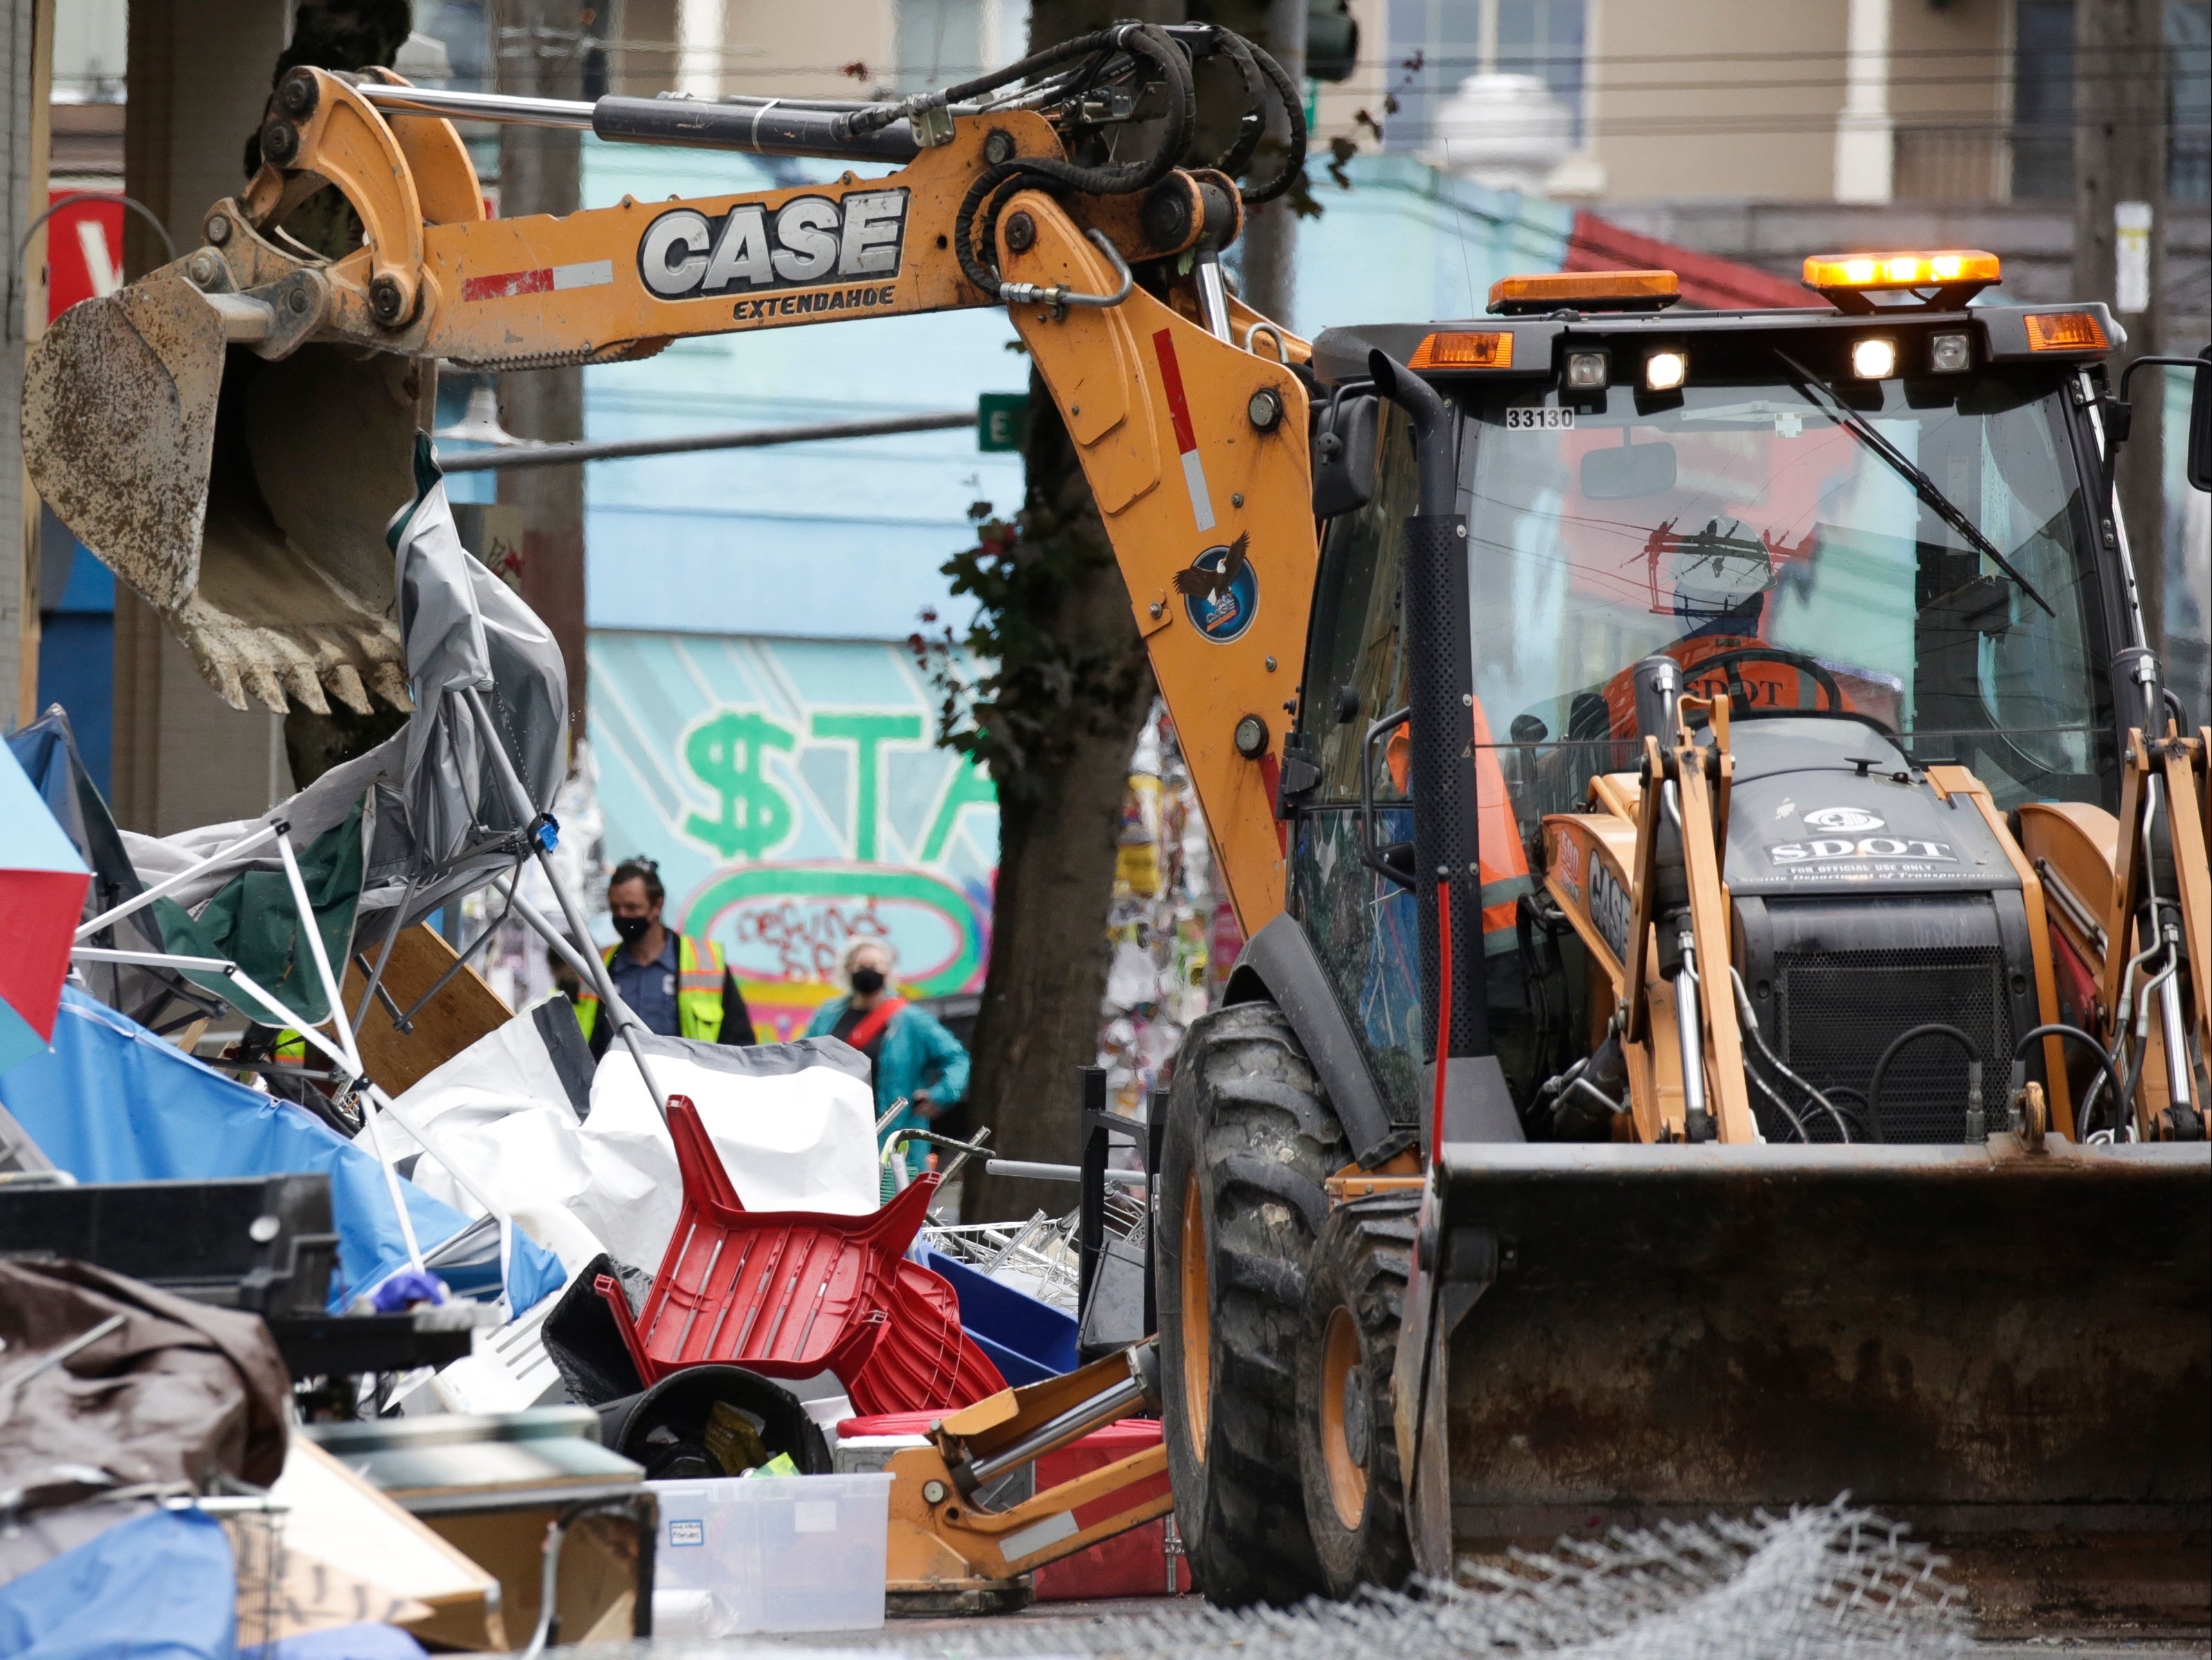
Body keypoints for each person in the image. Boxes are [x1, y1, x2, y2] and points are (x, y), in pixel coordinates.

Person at [808, 938, 969, 1169]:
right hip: (835, 1137)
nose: (868, 972)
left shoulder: (912, 1021)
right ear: (847, 970)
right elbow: (804, 1057)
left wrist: (941, 1094)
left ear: (888, 971)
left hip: (894, 1143)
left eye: (875, 966)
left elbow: (956, 1058)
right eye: (861, 965)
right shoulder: (827, 1016)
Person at [575, 857, 756, 1058]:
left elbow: (739, 1045)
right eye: (615, 908)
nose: (622, 916)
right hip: (612, 1086)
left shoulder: (706, 963)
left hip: (685, 1087)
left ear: (657, 907)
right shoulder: (593, 966)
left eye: (632, 908)